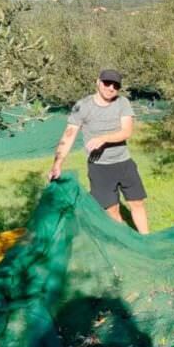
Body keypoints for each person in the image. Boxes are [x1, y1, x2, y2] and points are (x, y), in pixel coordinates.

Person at [48, 69, 149, 234]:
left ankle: (146, 239)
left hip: (124, 163)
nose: (110, 88)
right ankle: (126, 240)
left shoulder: (122, 102)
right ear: (98, 82)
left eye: (115, 86)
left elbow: (127, 131)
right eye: (107, 83)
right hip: (99, 168)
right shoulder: (83, 106)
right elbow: (69, 134)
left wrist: (103, 138)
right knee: (112, 210)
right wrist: (57, 163)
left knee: (137, 203)